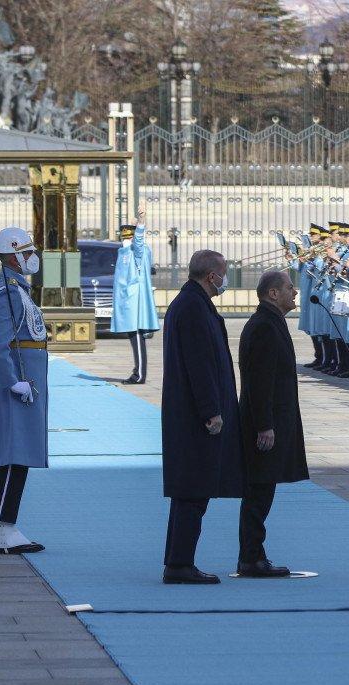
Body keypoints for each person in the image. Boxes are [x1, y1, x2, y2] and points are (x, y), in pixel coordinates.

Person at [160, 250, 243, 585]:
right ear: (211, 276)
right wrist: (211, 411)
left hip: (189, 414)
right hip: (195, 417)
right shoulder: (193, 307)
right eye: (223, 273)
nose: (225, 279)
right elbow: (200, 365)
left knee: (190, 492)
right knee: (193, 491)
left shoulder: (190, 302)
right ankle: (180, 564)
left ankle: (178, 560)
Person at [236, 271, 309, 577]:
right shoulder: (265, 326)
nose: (295, 293)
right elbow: (260, 381)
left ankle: (253, 555)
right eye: (290, 288)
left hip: (273, 420)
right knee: (259, 491)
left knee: (262, 490)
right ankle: (252, 558)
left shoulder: (271, 321)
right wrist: (265, 425)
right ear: (273, 293)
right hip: (265, 424)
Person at [0, 227, 49, 555]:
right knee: (13, 457)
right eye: (27, 252)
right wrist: (11, 381)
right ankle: (4, 530)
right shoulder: (9, 291)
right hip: (19, 387)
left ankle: (5, 528)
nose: (32, 257)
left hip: (25, 385)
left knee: (17, 457)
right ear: (13, 256)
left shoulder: (17, 288)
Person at [110, 206, 160, 384]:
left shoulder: (137, 250)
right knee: (134, 336)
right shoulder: (124, 251)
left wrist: (141, 223)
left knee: (137, 336)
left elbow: (138, 243)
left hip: (134, 301)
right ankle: (137, 371)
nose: (123, 239)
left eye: (126, 236)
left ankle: (139, 374)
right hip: (127, 301)